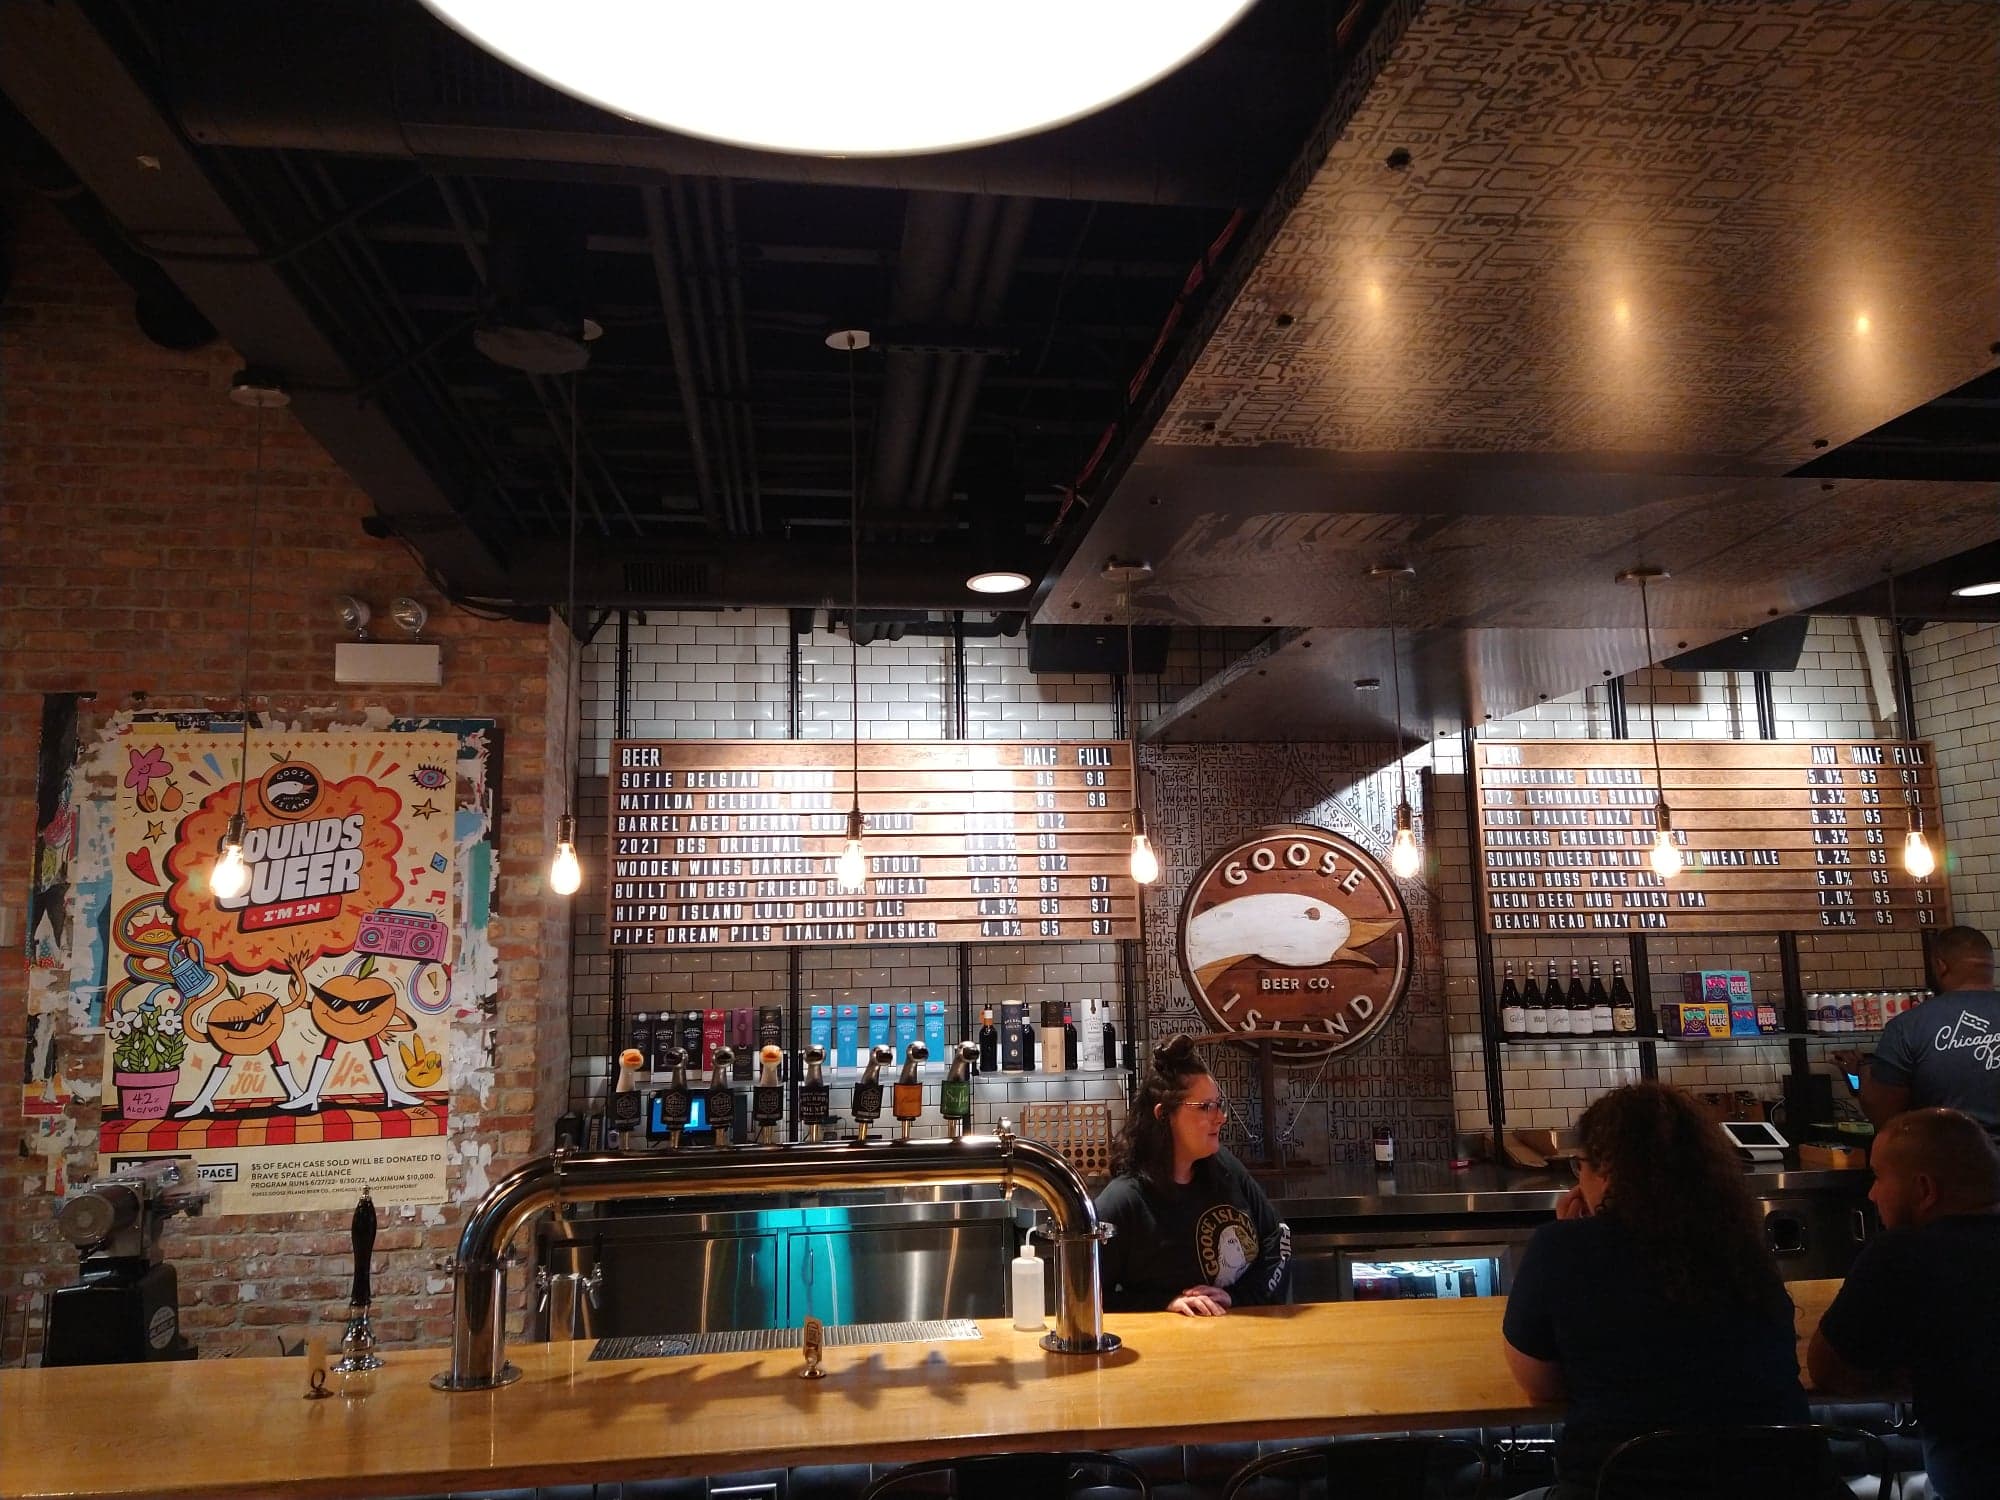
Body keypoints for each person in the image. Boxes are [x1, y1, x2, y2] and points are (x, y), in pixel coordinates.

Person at [1502, 1083, 1809, 1496]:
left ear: (1606, 1169)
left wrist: (1572, 1243)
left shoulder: (1562, 1247)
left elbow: (1541, 1385)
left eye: (1581, 1165)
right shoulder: (1739, 1244)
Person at [1808, 1107, 2000, 1499]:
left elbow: (1829, 1371)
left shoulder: (1903, 1253)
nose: (1872, 1193)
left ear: (1925, 1189)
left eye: (1879, 1177)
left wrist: (1907, 1367)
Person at [1094, 1034, 1290, 1315]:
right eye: (1206, 1107)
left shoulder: (1225, 1167)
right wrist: (1164, 1304)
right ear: (1164, 1115)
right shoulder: (1123, 1202)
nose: (1220, 1117)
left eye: (1218, 1104)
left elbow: (1277, 1238)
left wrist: (1237, 1296)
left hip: (1246, 1336)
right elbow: (1087, 1299)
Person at [1858, 925, 2000, 1141]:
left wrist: (1863, 1070)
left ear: (1941, 966)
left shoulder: (1907, 1027)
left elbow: (1883, 1115)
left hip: (1944, 1158)